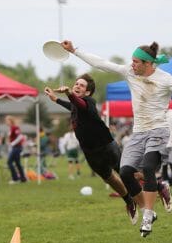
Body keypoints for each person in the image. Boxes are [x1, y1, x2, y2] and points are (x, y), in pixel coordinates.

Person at [60, 40, 172, 237]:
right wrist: (74, 50)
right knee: (125, 172)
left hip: (158, 130)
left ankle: (148, 216)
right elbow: (102, 63)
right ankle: (161, 188)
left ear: (147, 63)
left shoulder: (165, 78)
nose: (131, 64)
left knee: (149, 167)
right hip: (139, 132)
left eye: (135, 61)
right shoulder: (130, 73)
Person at [44, 73, 138, 224]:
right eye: (76, 84)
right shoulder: (75, 105)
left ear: (87, 92)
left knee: (126, 173)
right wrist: (55, 99)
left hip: (106, 146)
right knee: (109, 179)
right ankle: (129, 201)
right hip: (90, 152)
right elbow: (72, 105)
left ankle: (157, 184)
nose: (77, 86)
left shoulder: (89, 102)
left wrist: (69, 93)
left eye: (81, 85)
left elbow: (79, 104)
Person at [5, 115, 27, 184]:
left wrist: (12, 143)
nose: (6, 122)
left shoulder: (15, 127)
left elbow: (20, 136)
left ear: (11, 121)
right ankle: (23, 178)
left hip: (17, 147)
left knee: (9, 162)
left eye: (7, 121)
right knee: (17, 163)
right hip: (15, 147)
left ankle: (15, 178)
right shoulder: (11, 128)